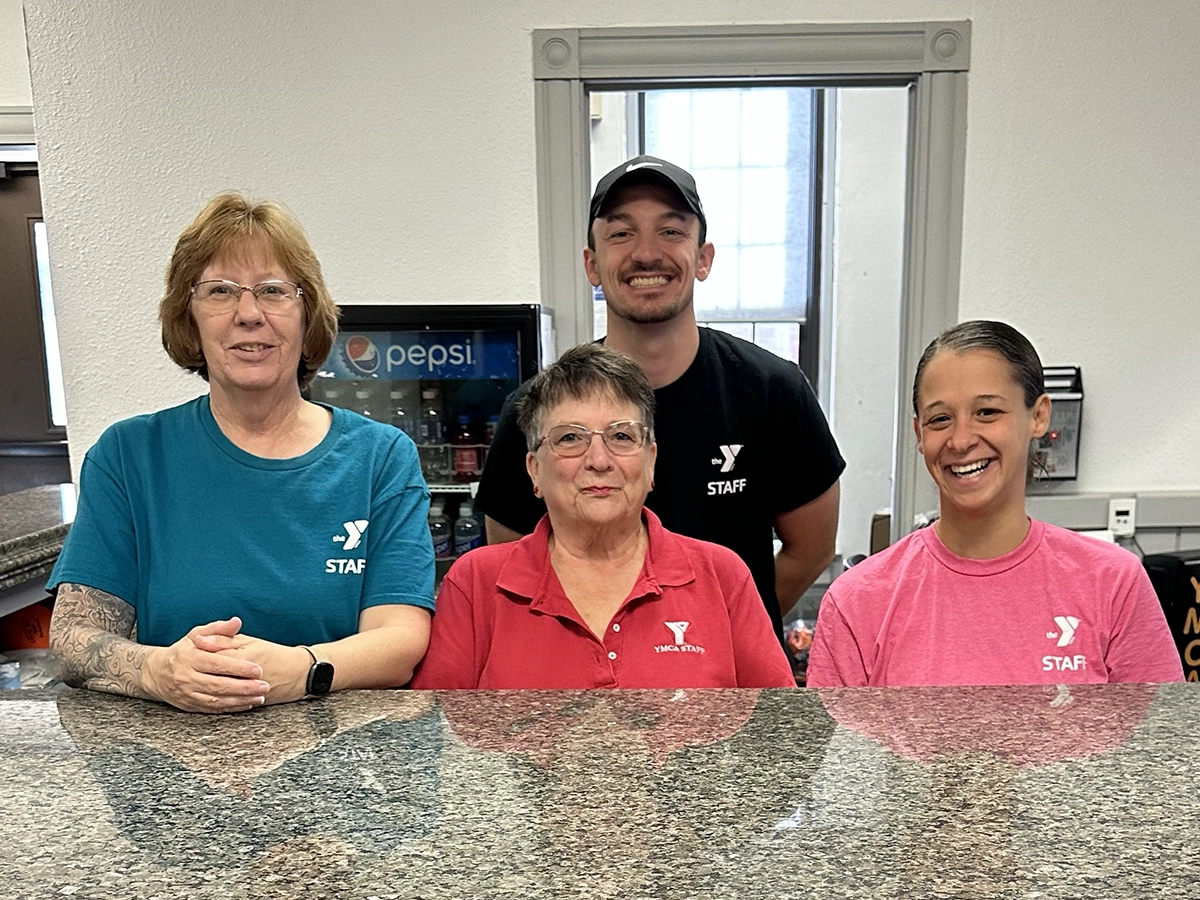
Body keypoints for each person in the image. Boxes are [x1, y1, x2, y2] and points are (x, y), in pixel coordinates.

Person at [47, 193, 435, 713]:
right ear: (189, 318)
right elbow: (73, 639)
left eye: (273, 291)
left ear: (307, 317)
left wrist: (300, 670)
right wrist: (159, 671)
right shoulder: (128, 455)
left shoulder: (381, 457)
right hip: (173, 746)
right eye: (220, 291)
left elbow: (401, 639)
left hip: (341, 749)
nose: (249, 314)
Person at [475, 155, 845, 640]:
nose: (646, 253)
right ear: (592, 264)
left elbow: (811, 550)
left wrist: (718, 633)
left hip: (730, 676)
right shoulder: (537, 412)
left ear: (704, 257)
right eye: (621, 233)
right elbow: (512, 566)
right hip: (583, 674)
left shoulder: (773, 390)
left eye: (670, 231)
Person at [806, 320, 1183, 686]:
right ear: (919, 433)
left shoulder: (1114, 583)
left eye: (987, 412)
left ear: (1039, 415)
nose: (961, 440)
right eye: (940, 419)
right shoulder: (856, 602)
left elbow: (1160, 729)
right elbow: (837, 733)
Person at [411, 343, 795, 689]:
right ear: (534, 471)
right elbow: (437, 732)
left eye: (621, 436)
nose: (598, 460)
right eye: (570, 438)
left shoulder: (722, 576)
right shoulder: (476, 584)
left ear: (651, 462)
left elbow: (776, 726)